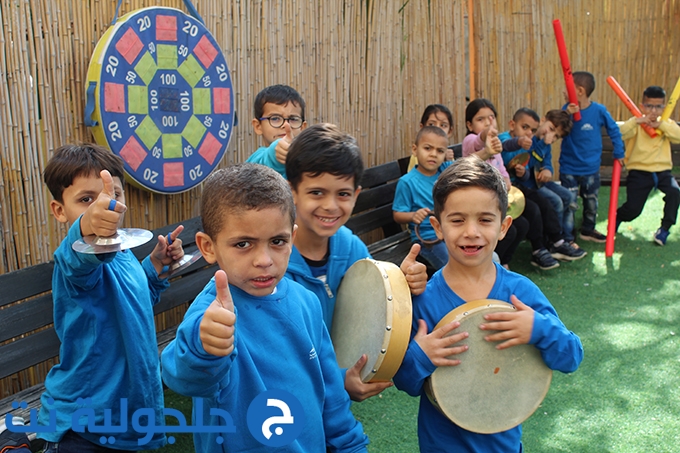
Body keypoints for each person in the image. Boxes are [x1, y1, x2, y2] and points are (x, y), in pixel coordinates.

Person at [161, 163, 369, 453]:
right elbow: (182, 377)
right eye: (243, 243)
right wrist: (203, 348)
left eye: (277, 241)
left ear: (292, 239)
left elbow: (330, 390)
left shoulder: (306, 301)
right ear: (208, 247)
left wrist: (350, 445)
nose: (264, 259)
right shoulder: (213, 317)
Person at [392, 157, 584, 452]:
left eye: (485, 219)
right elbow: (406, 382)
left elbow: (571, 357)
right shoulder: (425, 300)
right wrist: (421, 354)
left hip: (504, 445)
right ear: (437, 226)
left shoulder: (520, 293)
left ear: (504, 226)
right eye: (457, 220)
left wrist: (538, 329)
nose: (471, 231)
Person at [39, 144, 186, 451]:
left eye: (112, 195)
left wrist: (155, 266)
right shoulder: (73, 263)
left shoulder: (123, 254)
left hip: (128, 407)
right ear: (59, 210)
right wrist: (87, 226)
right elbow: (77, 259)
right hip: (84, 420)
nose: (102, 206)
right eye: (86, 200)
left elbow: (133, 299)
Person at [284, 123, 428, 401]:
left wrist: (403, 284)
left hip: (332, 404)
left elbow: (375, 307)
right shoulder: (272, 262)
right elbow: (280, 358)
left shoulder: (350, 248)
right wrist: (339, 381)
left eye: (343, 194)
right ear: (292, 191)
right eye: (317, 192)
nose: (330, 205)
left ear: (356, 195)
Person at [500, 108, 586, 264]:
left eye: (556, 136)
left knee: (568, 196)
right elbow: (523, 160)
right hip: (523, 186)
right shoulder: (527, 141)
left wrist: (547, 169)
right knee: (553, 202)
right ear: (543, 120)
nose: (551, 136)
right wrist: (541, 146)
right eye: (551, 129)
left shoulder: (539, 141)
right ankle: (552, 242)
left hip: (535, 183)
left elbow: (543, 163)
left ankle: (563, 238)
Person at [460, 98, 530, 270]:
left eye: (491, 118)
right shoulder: (470, 140)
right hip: (479, 202)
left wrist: (506, 180)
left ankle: (504, 261)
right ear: (470, 125)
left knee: (522, 225)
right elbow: (478, 142)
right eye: (480, 119)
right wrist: (487, 134)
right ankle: (487, 262)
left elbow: (501, 168)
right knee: (508, 231)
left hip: (496, 200)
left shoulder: (496, 144)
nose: (486, 123)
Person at [561, 71, 625, 243]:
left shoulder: (598, 111)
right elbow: (558, 129)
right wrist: (567, 114)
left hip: (590, 169)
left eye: (568, 88)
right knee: (570, 204)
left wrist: (619, 152)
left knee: (591, 202)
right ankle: (567, 237)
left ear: (579, 91)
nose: (564, 92)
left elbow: (614, 130)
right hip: (569, 168)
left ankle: (588, 230)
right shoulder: (565, 111)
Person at [616, 85, 680, 245]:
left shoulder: (666, 124)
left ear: (664, 107)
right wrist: (637, 121)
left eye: (658, 106)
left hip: (663, 172)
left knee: (674, 192)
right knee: (633, 210)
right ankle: (618, 217)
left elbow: (678, 136)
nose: (654, 111)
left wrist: (662, 126)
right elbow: (620, 134)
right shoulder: (636, 123)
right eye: (650, 106)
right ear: (642, 106)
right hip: (639, 172)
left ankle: (664, 229)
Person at [394, 126, 452, 270]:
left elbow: (470, 164)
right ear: (415, 150)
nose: (433, 154)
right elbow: (397, 215)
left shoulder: (447, 171)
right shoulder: (407, 182)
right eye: (427, 148)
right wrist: (413, 215)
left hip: (451, 231)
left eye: (440, 151)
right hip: (428, 238)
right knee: (451, 266)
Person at [246, 84, 308, 178]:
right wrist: (274, 155)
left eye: (293, 119)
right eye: (275, 118)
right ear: (258, 126)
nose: (286, 125)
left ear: (303, 128)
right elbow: (264, 161)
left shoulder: (310, 161)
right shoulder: (256, 160)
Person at [408, 104, 455, 171]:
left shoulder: (447, 153)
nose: (437, 128)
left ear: (449, 132)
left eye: (443, 125)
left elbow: (453, 178)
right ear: (422, 127)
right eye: (431, 124)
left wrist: (448, 161)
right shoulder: (418, 153)